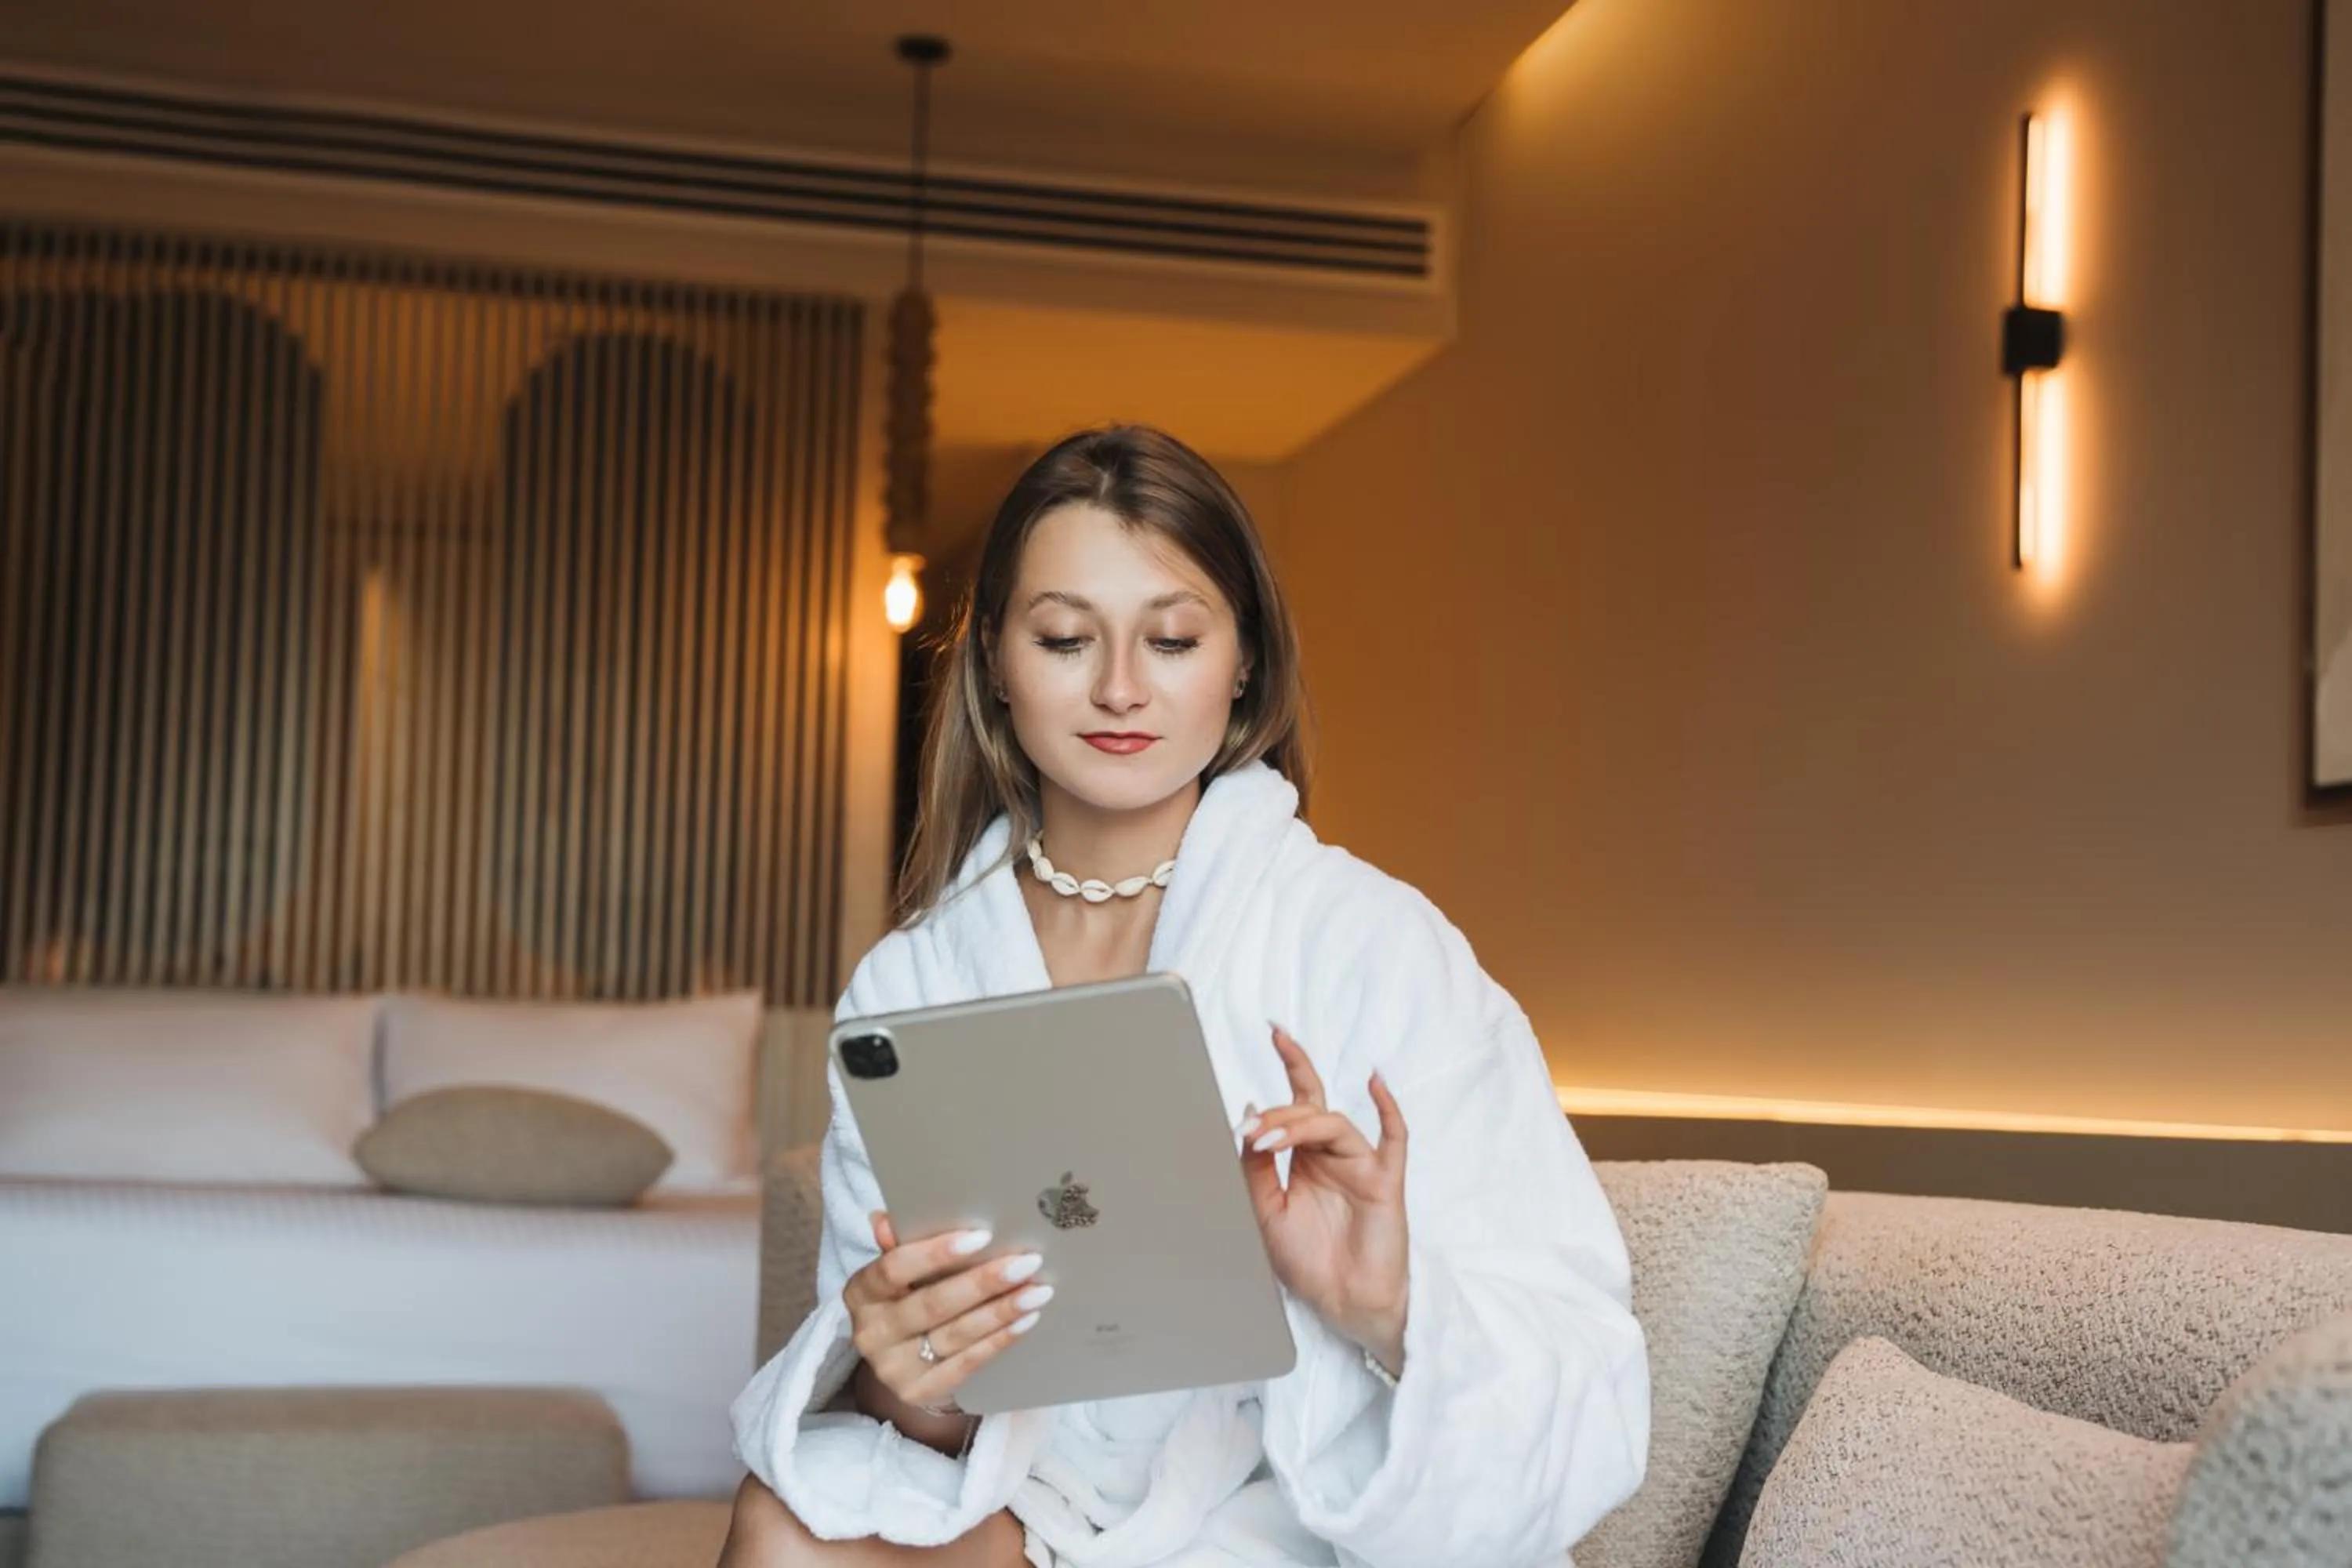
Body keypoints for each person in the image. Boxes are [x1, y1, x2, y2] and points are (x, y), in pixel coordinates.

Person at [722, 426, 1650, 1567]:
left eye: (1170, 638)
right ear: (998, 668)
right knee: (783, 1526)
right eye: (1065, 638)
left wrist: (1391, 1307)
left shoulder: (1370, 944)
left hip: (1286, 1525)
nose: (1120, 686)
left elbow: (1588, 1379)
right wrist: (907, 1376)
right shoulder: (912, 981)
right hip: (1044, 1513)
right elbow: (912, 1436)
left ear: (1244, 659)